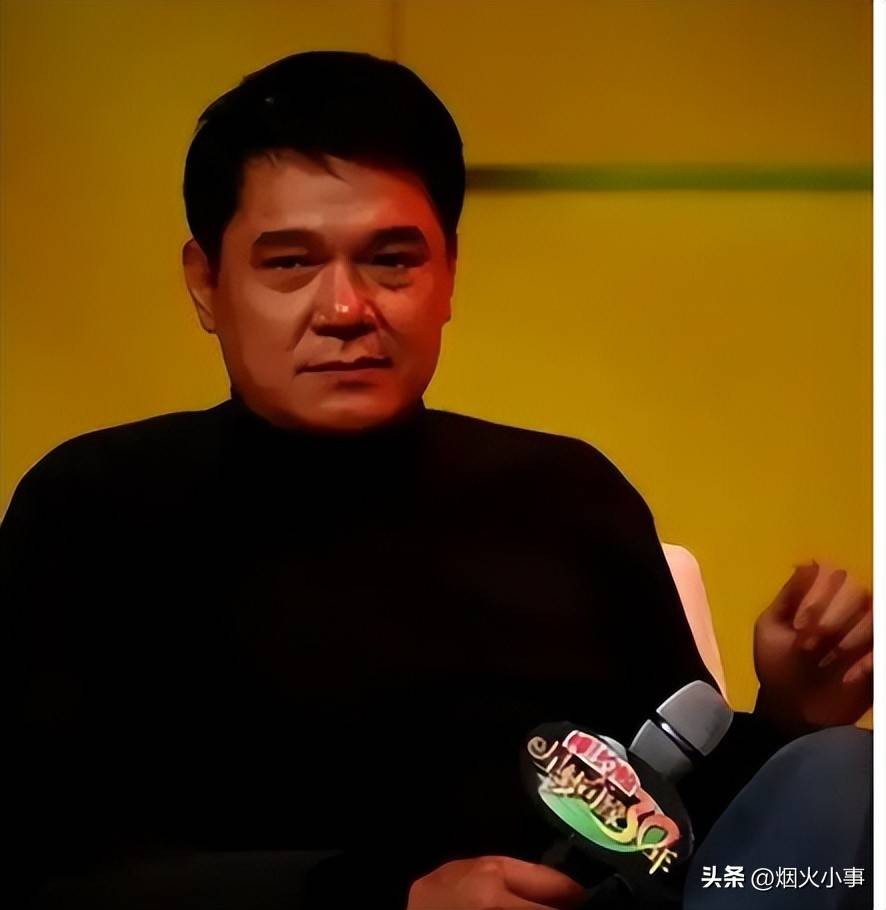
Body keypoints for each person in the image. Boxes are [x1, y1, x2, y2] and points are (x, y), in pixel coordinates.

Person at [4, 51, 872, 909]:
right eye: (291, 263)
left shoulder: (568, 499)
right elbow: (47, 865)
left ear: (449, 272)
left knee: (848, 774)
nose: (345, 311)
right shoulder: (93, 510)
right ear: (206, 284)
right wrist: (397, 901)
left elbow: (670, 829)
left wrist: (792, 720)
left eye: (392, 260)